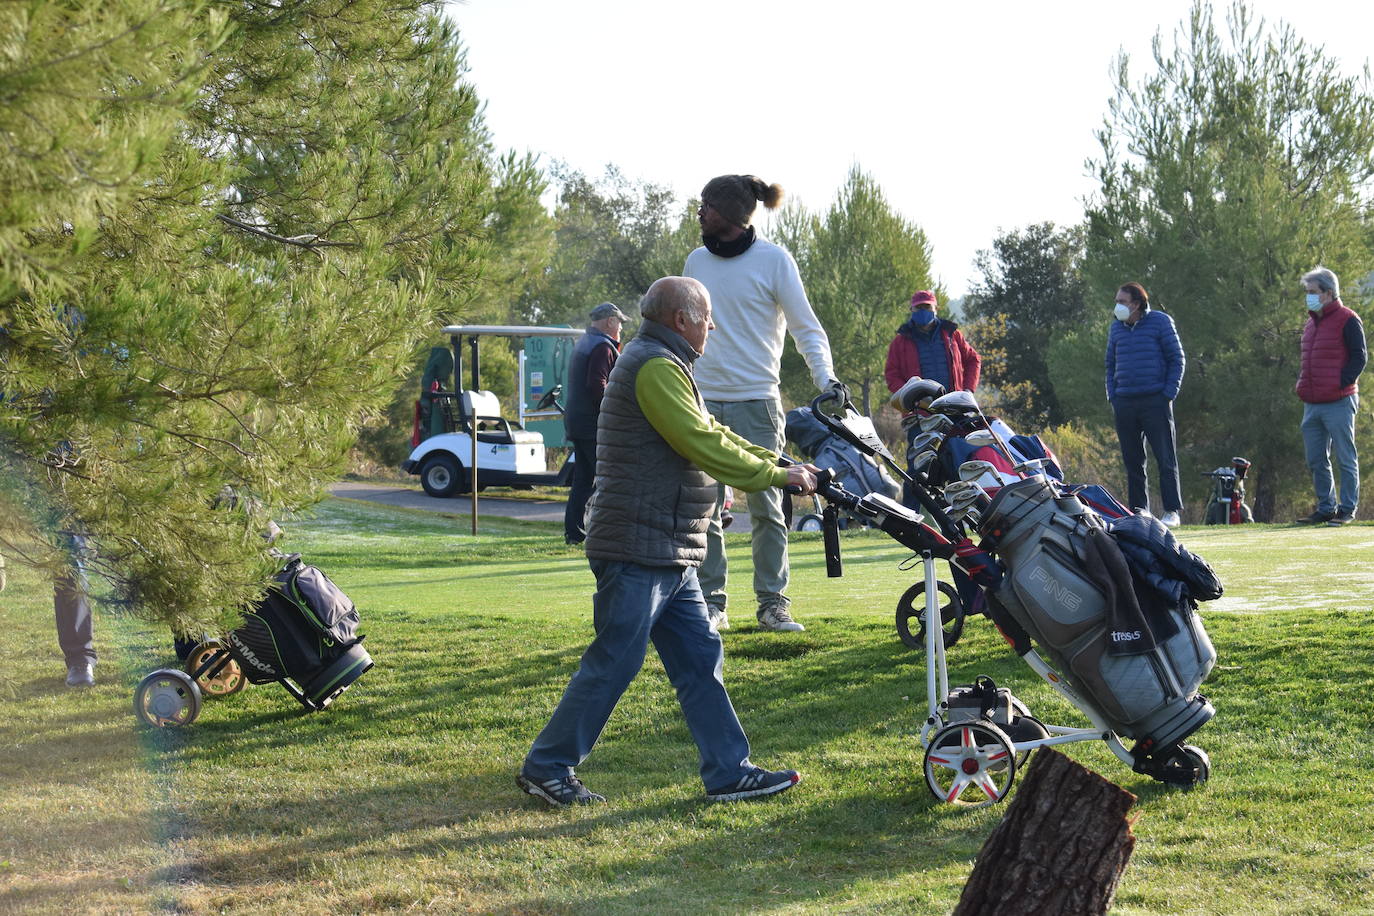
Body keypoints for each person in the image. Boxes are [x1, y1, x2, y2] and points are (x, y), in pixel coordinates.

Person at [517, 276, 819, 807]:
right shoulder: (654, 366)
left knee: (700, 659)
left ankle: (729, 772)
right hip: (639, 546)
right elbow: (701, 443)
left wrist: (780, 462)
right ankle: (547, 766)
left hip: (670, 548)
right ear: (681, 320)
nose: (712, 327)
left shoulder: (667, 364)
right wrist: (775, 479)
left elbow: (716, 433)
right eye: (706, 317)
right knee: (616, 659)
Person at [684, 174, 844, 634]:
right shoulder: (696, 261)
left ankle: (773, 604)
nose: (700, 214)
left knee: (768, 508)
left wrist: (826, 379)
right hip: (702, 402)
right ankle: (712, 604)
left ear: (730, 214)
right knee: (705, 510)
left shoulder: (774, 261)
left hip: (758, 404)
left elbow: (806, 328)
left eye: (706, 207)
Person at [883, 289, 982, 508]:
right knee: (918, 466)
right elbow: (892, 374)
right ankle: (911, 516)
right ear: (912, 310)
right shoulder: (900, 342)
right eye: (919, 308)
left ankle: (962, 515)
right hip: (920, 414)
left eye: (927, 307)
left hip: (954, 410)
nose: (923, 311)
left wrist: (968, 391)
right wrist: (909, 396)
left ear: (935, 308)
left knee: (959, 462)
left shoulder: (952, 334)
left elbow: (973, 359)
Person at [1105, 282, 1185, 528]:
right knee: (1133, 461)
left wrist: (1167, 394)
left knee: (1165, 458)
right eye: (1117, 301)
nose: (1117, 306)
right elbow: (1110, 364)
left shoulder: (1160, 322)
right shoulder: (1116, 328)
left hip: (1155, 401)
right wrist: (1113, 396)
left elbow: (1177, 358)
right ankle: (1140, 512)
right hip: (1125, 402)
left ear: (1136, 304)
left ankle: (1172, 511)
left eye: (1122, 301)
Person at [1295, 266, 1365, 525]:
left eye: (1313, 292)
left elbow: (1360, 357)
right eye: (1307, 292)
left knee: (1345, 457)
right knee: (1315, 459)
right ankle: (1326, 508)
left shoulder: (1348, 318)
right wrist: (1303, 384)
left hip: (1339, 400)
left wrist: (1340, 383)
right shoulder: (1311, 323)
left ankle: (1347, 509)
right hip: (1312, 402)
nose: (1309, 296)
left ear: (1329, 292)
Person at [562, 302, 627, 544]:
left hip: (578, 422)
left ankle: (575, 533)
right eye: (619, 322)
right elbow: (596, 384)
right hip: (592, 425)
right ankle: (607, 532)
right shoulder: (602, 347)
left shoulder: (585, 343)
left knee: (583, 480)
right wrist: (611, 411)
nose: (620, 328)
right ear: (610, 321)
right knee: (608, 477)